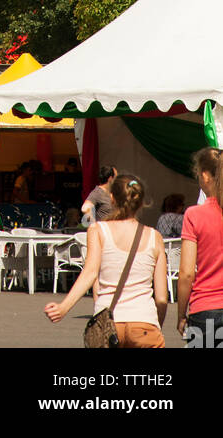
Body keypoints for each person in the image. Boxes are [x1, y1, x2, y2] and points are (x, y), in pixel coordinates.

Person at [45, 174, 167, 348]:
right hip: (144, 322)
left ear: (111, 198)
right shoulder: (155, 237)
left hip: (108, 322)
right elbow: (162, 297)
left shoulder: (98, 230)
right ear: (141, 202)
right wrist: (155, 324)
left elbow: (90, 273)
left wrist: (64, 307)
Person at [177, 147, 223, 348]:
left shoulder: (194, 215)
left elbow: (187, 273)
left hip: (206, 310)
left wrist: (180, 314)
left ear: (205, 176)